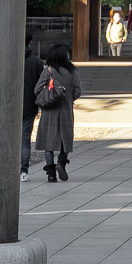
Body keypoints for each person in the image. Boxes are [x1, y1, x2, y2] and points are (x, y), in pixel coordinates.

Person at [34, 44, 79, 180]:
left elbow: (37, 89)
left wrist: (49, 95)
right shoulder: (73, 71)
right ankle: (61, 162)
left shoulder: (48, 71)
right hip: (66, 110)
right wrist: (68, 98)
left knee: (49, 141)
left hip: (49, 111)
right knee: (65, 138)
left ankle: (51, 173)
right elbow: (78, 91)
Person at [21, 39, 44, 176]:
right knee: (25, 139)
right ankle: (24, 171)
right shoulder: (36, 61)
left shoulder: (8, 57)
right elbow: (41, 84)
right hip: (29, 104)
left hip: (9, 105)